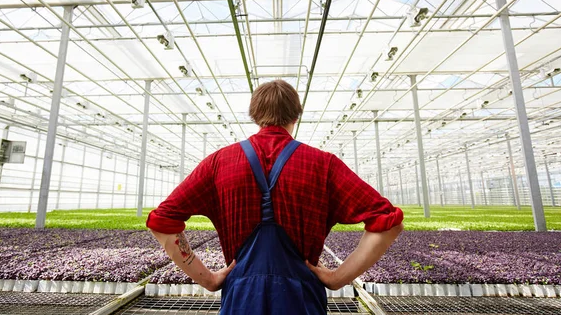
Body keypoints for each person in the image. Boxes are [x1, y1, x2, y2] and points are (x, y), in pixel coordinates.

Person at [147, 79, 404, 314]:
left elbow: (163, 221)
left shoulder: (218, 163)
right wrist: (338, 279)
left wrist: (208, 279)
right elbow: (389, 223)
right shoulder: (323, 165)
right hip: (302, 301)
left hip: (241, 300)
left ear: (255, 115)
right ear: (296, 116)